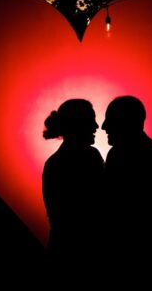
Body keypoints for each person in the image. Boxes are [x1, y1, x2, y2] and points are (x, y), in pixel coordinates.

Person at [102, 95, 152, 265]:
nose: (103, 127)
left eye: (111, 120)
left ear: (126, 123)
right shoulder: (150, 154)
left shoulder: (122, 156)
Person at [42, 98, 104, 264]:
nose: (96, 127)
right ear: (77, 125)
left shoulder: (54, 163)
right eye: (91, 121)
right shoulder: (90, 157)